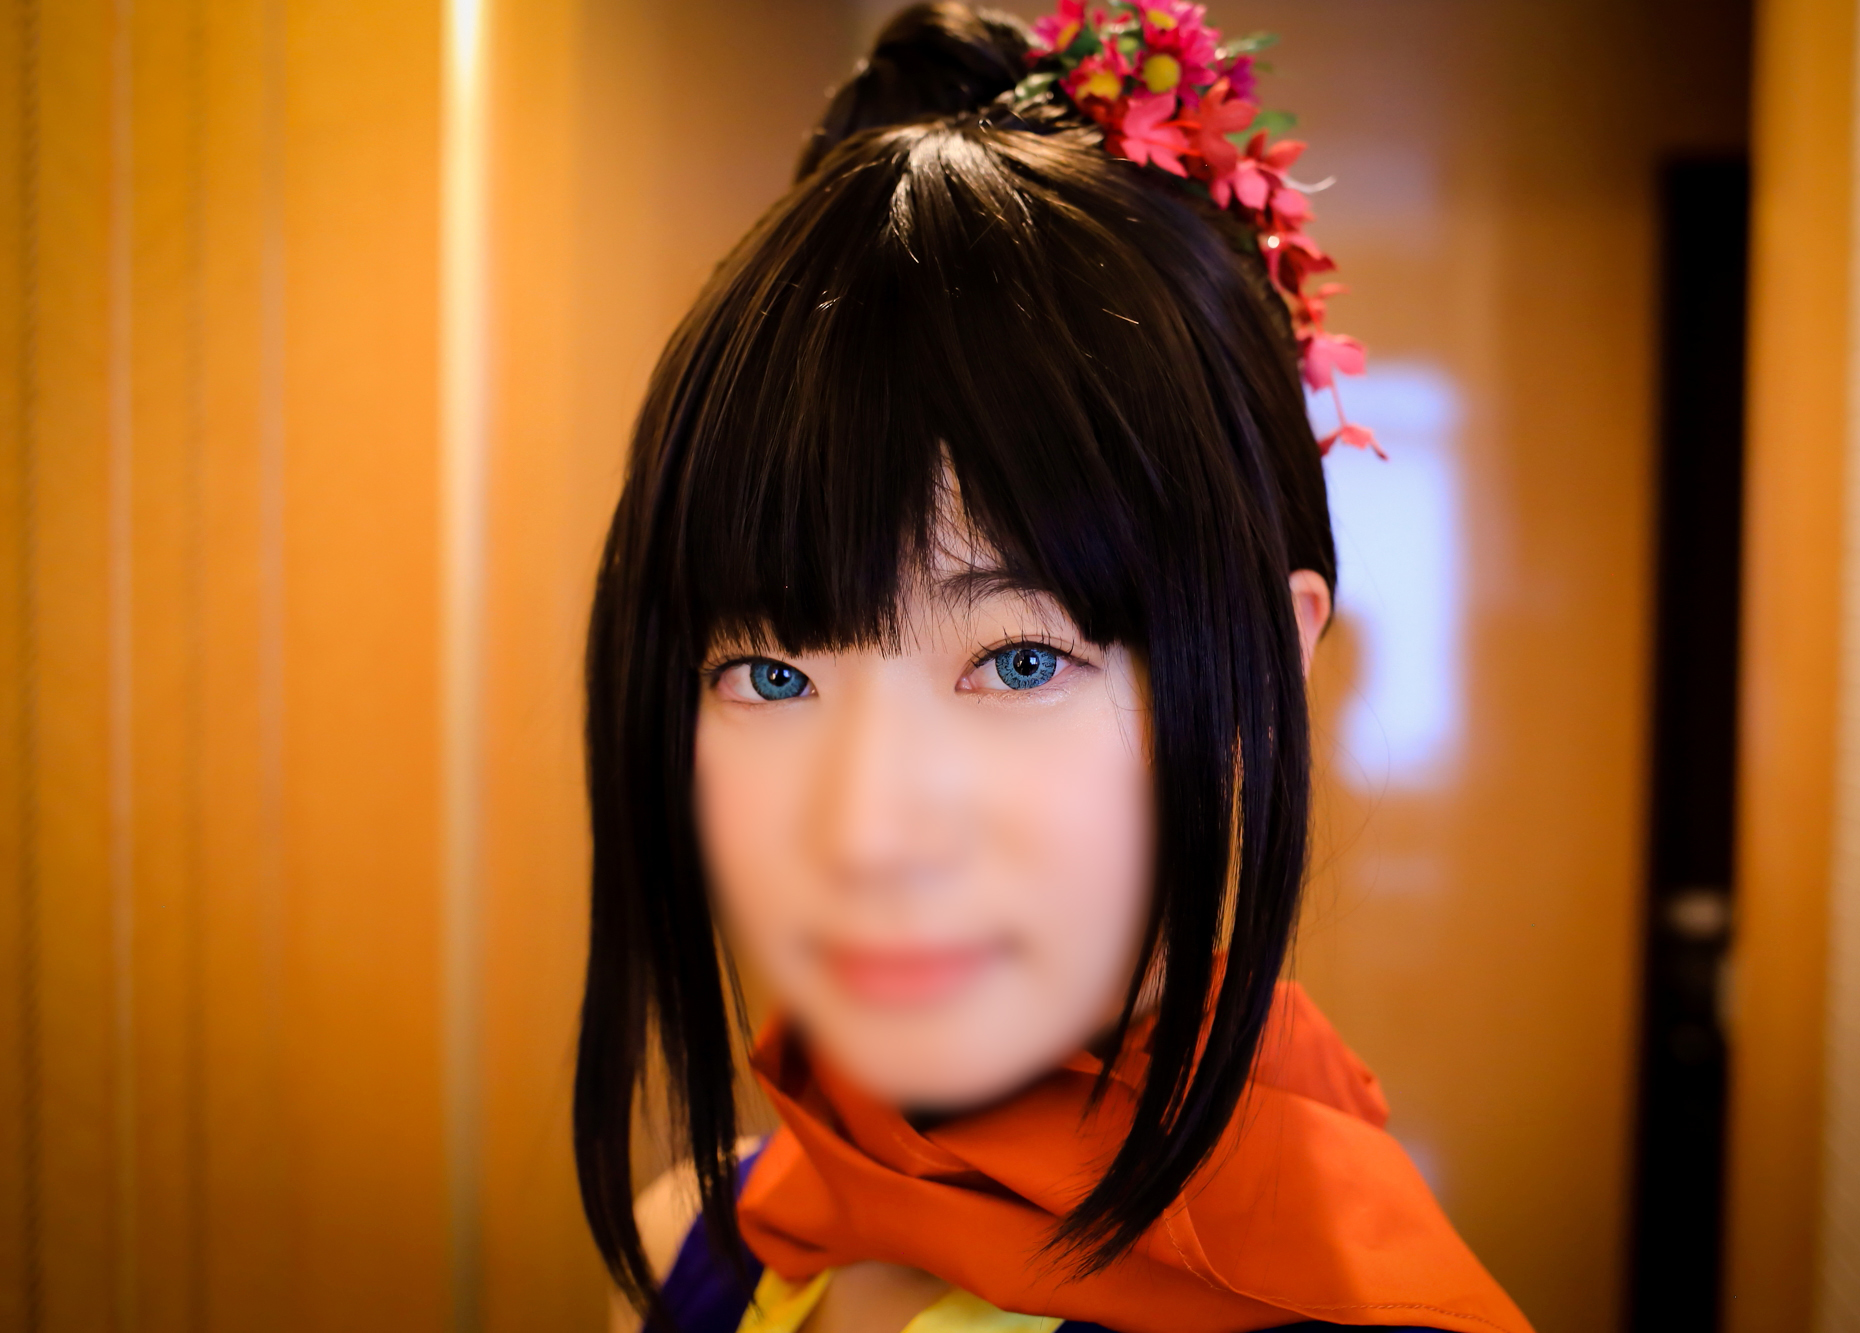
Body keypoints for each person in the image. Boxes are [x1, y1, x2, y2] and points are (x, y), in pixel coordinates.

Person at [575, 4, 1529, 1331]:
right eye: (771, 675)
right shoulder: (694, 1239)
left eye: (1021, 659)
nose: (864, 831)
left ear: (1264, 670)